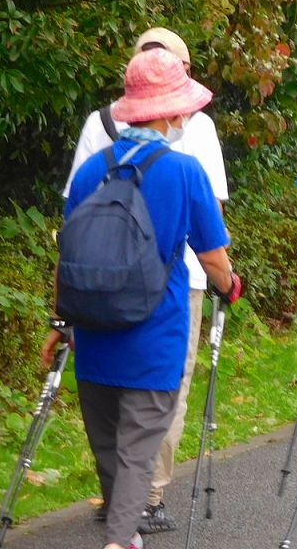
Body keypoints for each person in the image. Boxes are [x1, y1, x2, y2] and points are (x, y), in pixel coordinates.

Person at [48, 48, 240, 549]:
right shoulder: (184, 171)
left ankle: (124, 532)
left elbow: (66, 254)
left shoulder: (91, 172)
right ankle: (119, 540)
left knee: (110, 449)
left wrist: (59, 320)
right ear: (172, 112)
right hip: (155, 332)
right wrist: (230, 287)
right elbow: (214, 259)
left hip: (93, 331)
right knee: (138, 449)